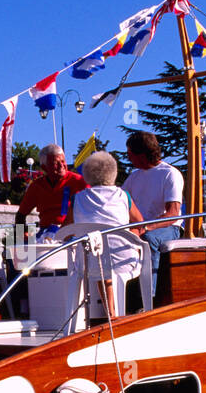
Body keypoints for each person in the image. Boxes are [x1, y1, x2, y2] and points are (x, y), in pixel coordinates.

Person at [64, 150, 144, 317]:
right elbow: (140, 223)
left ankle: (111, 313)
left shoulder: (77, 199)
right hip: (125, 260)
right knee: (107, 256)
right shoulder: (124, 196)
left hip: (89, 264)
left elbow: (65, 231)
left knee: (99, 256)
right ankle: (121, 311)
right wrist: (131, 237)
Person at [122, 131, 183, 298]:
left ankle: (149, 299)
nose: (128, 158)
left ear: (141, 155)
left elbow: (173, 213)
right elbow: (121, 203)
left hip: (169, 228)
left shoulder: (170, 174)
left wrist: (145, 227)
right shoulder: (133, 177)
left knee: (148, 240)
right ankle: (122, 299)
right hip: (140, 227)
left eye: (130, 154)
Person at [14, 144, 86, 240]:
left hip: (72, 232)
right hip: (45, 232)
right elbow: (20, 215)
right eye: (56, 163)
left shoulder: (79, 181)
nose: (61, 166)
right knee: (25, 251)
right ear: (44, 167)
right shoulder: (36, 186)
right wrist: (22, 235)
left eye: (63, 161)